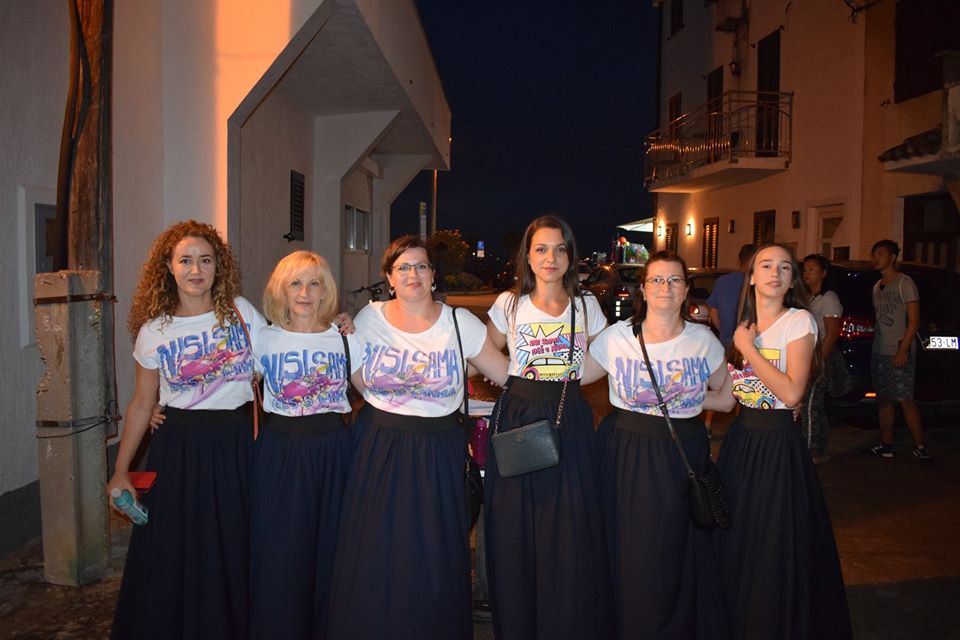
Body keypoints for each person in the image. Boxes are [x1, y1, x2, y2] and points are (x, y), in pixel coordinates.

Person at [326, 236, 508, 640]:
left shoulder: (459, 322)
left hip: (437, 451)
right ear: (389, 277)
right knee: (375, 550)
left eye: (421, 266)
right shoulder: (368, 319)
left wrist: (556, 377)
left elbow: (506, 375)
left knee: (432, 554)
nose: (413, 274)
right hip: (378, 446)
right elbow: (358, 380)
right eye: (403, 267)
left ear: (433, 275)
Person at [107, 220, 265, 640]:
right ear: (169, 267)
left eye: (206, 260)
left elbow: (283, 349)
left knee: (234, 543)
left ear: (218, 266)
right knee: (177, 549)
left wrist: (337, 326)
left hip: (236, 445)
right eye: (186, 260)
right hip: (179, 449)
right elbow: (142, 403)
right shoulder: (155, 331)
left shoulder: (241, 313)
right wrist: (121, 470)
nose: (196, 270)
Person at [586, 251, 735, 640]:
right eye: (656, 280)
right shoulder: (617, 337)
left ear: (686, 290)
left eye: (674, 280)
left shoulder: (702, 340)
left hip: (680, 452)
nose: (665, 287)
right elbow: (575, 375)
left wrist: (683, 398)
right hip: (626, 452)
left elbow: (726, 398)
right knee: (629, 546)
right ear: (643, 290)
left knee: (672, 548)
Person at [484, 215, 612, 640]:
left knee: (567, 525)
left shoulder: (586, 306)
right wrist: (512, 381)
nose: (550, 257)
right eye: (541, 248)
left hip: (567, 415)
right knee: (516, 527)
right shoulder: (509, 304)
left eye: (559, 249)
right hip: (517, 416)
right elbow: (482, 352)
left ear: (571, 256)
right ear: (527, 255)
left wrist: (574, 380)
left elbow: (608, 355)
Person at [718, 243, 851, 639]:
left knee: (775, 539)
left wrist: (747, 348)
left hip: (777, 443)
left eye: (785, 267)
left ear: (792, 280)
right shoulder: (744, 324)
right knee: (740, 536)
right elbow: (729, 397)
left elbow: (792, 393)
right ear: (751, 276)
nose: (775, 273)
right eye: (766, 265)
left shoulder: (799, 322)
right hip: (742, 440)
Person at [249, 251, 359, 639]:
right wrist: (162, 404)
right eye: (295, 283)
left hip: (334, 451)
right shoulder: (264, 338)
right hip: (281, 451)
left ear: (326, 290)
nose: (305, 292)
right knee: (281, 550)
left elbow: (375, 389)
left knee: (333, 547)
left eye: (314, 283)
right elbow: (230, 386)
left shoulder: (345, 338)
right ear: (280, 289)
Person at [868, 239, 931, 462]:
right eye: (874, 254)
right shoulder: (877, 286)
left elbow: (914, 321)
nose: (876, 258)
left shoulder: (905, 283)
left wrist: (903, 349)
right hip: (880, 349)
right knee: (884, 397)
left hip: (898, 349)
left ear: (893, 257)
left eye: (881, 254)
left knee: (904, 398)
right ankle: (887, 443)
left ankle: (920, 446)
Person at [800, 253, 843, 464]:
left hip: (821, 357)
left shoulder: (829, 298)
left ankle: (811, 451)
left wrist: (818, 361)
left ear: (823, 273)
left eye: (812, 269)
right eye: (805, 269)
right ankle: (818, 448)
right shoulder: (808, 298)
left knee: (809, 404)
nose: (807, 273)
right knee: (812, 404)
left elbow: (832, 333)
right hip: (808, 355)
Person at [707, 243, 756, 349]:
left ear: (740, 261)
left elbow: (713, 312)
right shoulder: (759, 282)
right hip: (754, 341)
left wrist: (723, 331)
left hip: (727, 341)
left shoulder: (722, 281)